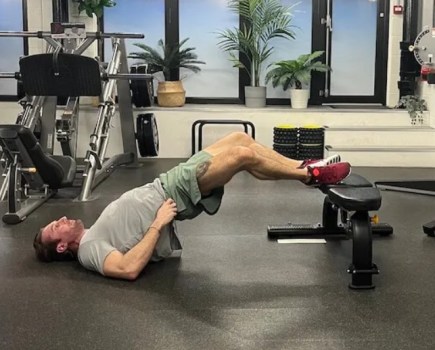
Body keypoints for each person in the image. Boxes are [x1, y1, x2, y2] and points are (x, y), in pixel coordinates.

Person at [33, 132, 351, 280]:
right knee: (243, 157)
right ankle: (310, 175)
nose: (60, 219)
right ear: (61, 247)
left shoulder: (91, 233)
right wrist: (158, 222)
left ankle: (306, 165)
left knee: (241, 139)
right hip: (177, 191)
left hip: (169, 180)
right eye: (54, 227)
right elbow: (127, 269)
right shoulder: (88, 252)